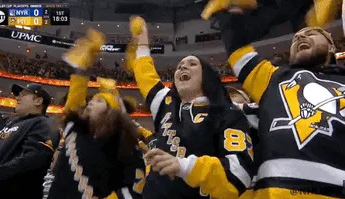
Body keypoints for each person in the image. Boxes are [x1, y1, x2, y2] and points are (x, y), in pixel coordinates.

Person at [203, 3, 345, 199]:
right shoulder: (274, 77)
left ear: (332, 46)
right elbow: (239, 51)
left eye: (311, 34)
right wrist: (230, 15)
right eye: (295, 39)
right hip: (273, 191)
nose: (300, 37)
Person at [126, 17, 254, 199]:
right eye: (179, 66)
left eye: (192, 64)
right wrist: (143, 40)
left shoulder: (228, 114)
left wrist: (184, 167)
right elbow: (145, 74)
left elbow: (239, 173)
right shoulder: (167, 102)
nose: (182, 66)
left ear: (207, 76)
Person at [47, 29, 145, 199]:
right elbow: (74, 101)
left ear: (112, 113)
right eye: (91, 100)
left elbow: (136, 185)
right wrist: (82, 67)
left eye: (99, 101)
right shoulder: (74, 129)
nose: (90, 102)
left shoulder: (123, 143)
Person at [0, 37, 60, 199]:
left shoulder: (45, 124)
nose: (17, 97)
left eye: (24, 94)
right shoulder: (7, 121)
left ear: (38, 101)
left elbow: (32, 160)